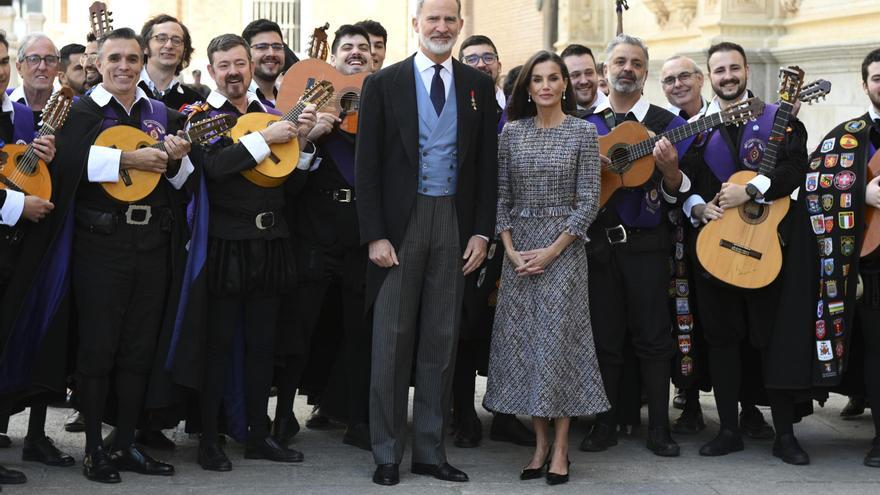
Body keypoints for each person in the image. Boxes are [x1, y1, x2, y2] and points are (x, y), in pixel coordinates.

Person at [356, 0, 497, 486]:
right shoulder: (383, 83)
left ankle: (430, 451)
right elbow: (367, 166)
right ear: (415, 25)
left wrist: (481, 231)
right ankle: (387, 452)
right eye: (431, 19)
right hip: (400, 224)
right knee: (391, 340)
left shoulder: (478, 87)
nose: (441, 27)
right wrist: (374, 233)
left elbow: (485, 168)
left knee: (441, 338)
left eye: (449, 20)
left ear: (460, 26)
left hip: (454, 221)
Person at [52, 27, 196, 483]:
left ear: (143, 61)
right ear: (97, 63)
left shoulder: (162, 114)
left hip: (152, 244)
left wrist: (177, 158)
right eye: (114, 58)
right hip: (101, 246)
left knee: (139, 349)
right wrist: (125, 162)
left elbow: (183, 185)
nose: (124, 67)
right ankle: (95, 448)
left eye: (133, 59)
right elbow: (66, 166)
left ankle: (128, 442)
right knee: (98, 349)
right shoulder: (79, 112)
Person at [483, 49, 608, 486]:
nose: (547, 86)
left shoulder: (582, 132)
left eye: (554, 78)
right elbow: (500, 198)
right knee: (526, 349)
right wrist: (511, 251)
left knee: (558, 348)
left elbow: (588, 202)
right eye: (538, 79)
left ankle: (561, 449)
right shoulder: (511, 134)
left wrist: (554, 250)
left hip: (565, 253)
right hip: (519, 254)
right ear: (528, 88)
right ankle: (538, 445)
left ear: (565, 86)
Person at [194, 33, 316, 472]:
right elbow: (215, 169)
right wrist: (265, 140)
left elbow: (292, 188)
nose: (233, 72)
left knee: (264, 345)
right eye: (223, 65)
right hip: (227, 245)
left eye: (239, 64)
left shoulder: (272, 114)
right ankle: (210, 437)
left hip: (272, 243)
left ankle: (258, 435)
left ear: (250, 67)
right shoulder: (202, 118)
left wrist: (303, 149)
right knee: (219, 345)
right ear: (211, 71)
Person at [685, 41, 807, 462]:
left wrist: (751, 190)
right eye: (719, 71)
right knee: (721, 341)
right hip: (717, 247)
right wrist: (696, 206)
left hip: (766, 249)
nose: (727, 76)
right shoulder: (698, 129)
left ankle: (786, 434)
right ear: (709, 77)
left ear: (746, 72)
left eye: (733, 68)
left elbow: (794, 170)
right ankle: (729, 429)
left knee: (772, 341)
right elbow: (688, 182)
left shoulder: (780, 118)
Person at [578, 34, 693, 458]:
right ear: (605, 71)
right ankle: (604, 424)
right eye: (619, 62)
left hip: (647, 245)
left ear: (645, 72)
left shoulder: (670, 125)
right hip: (596, 247)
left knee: (654, 338)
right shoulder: (583, 125)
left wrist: (670, 173)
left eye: (636, 63)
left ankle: (659, 429)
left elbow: (681, 193)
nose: (627, 69)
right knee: (604, 338)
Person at [271, 23, 373, 452]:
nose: (355, 53)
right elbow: (288, 185)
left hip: (365, 234)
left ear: (373, 59)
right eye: (347, 47)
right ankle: (281, 422)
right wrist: (310, 140)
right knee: (299, 329)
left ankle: (362, 421)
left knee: (362, 331)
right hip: (316, 234)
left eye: (363, 49)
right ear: (334, 58)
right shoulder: (309, 103)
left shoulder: (383, 101)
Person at [451, 34, 535, 450]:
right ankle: (463, 413)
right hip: (473, 232)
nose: (481, 64)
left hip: (521, 234)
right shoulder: (455, 108)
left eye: (488, 57)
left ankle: (504, 414)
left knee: (512, 330)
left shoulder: (519, 110)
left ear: (500, 64)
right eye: (472, 58)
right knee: (466, 327)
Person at [0, 30, 59, 486]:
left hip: (30, 248)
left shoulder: (37, 115)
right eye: (26, 60)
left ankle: (33, 434)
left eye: (2, 61)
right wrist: (19, 206)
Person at [138, 14, 202, 110]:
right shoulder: (124, 90)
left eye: (176, 40)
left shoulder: (195, 103)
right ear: (145, 47)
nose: (169, 45)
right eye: (161, 38)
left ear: (184, 51)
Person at [9, 33, 60, 125]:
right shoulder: (5, 103)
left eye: (50, 59)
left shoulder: (73, 107)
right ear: (19, 68)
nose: (42, 67)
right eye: (33, 59)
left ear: (57, 68)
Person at [242, 19, 286, 107]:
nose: (271, 53)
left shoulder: (291, 97)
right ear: (246, 53)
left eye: (277, 47)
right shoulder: (238, 99)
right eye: (262, 47)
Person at [561, 44, 607, 114]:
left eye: (589, 73)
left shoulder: (614, 110)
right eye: (575, 75)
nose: (584, 81)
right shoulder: (554, 117)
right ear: (564, 80)